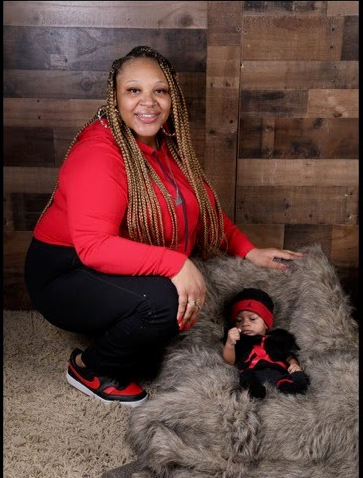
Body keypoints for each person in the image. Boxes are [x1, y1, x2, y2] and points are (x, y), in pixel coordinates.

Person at [24, 45, 304, 407]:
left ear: (172, 96)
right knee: (166, 302)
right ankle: (90, 368)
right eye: (134, 90)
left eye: (160, 90)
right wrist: (176, 264)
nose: (149, 102)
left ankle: (127, 333)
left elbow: (201, 206)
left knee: (157, 339)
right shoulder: (98, 153)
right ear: (115, 97)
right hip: (65, 270)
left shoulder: (165, 141)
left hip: (103, 263)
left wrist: (248, 250)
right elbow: (93, 246)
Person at [223, 288, 310, 399]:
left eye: (252, 319)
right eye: (239, 320)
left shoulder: (278, 338)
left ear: (266, 324)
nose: (245, 324)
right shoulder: (240, 340)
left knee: (298, 377)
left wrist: (294, 364)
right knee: (246, 376)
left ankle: (293, 387)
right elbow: (230, 361)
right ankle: (254, 391)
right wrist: (230, 343)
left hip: (278, 372)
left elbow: (288, 355)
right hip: (253, 373)